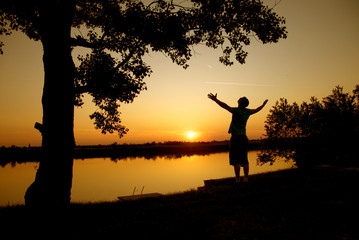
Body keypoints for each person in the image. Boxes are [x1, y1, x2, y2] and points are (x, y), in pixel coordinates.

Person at [208, 93, 268, 183]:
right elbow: (257, 110)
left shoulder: (237, 111)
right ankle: (246, 178)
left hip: (235, 138)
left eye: (240, 98)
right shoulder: (247, 112)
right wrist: (263, 105)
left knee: (235, 160)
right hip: (243, 138)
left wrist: (215, 100)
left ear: (240, 102)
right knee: (244, 159)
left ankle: (237, 179)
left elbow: (225, 106)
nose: (238, 98)